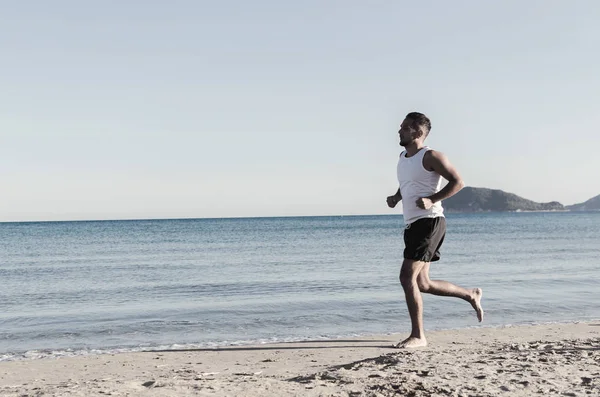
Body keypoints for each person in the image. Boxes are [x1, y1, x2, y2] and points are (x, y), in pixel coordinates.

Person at [386, 111, 484, 348]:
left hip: (429, 222)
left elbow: (458, 182)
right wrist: (397, 197)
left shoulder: (431, 156)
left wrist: (432, 199)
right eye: (400, 126)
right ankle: (470, 294)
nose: (399, 130)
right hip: (412, 224)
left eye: (405, 127)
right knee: (423, 284)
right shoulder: (403, 156)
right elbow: (408, 183)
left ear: (418, 132)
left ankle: (418, 336)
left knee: (405, 276)